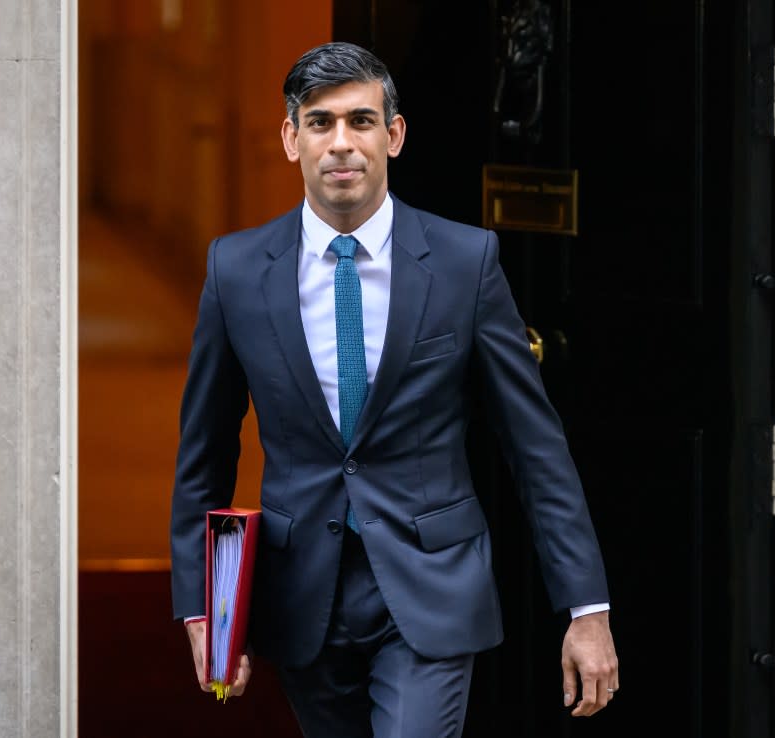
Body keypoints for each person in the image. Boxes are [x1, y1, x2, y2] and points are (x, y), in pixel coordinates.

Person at [169, 40, 618, 738]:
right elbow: (204, 454)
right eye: (320, 123)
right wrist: (206, 609)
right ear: (291, 139)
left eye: (361, 120)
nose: (340, 143)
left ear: (394, 135)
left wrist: (586, 609)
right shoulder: (234, 271)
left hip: (430, 587)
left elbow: (535, 447)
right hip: (300, 595)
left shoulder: (465, 263)